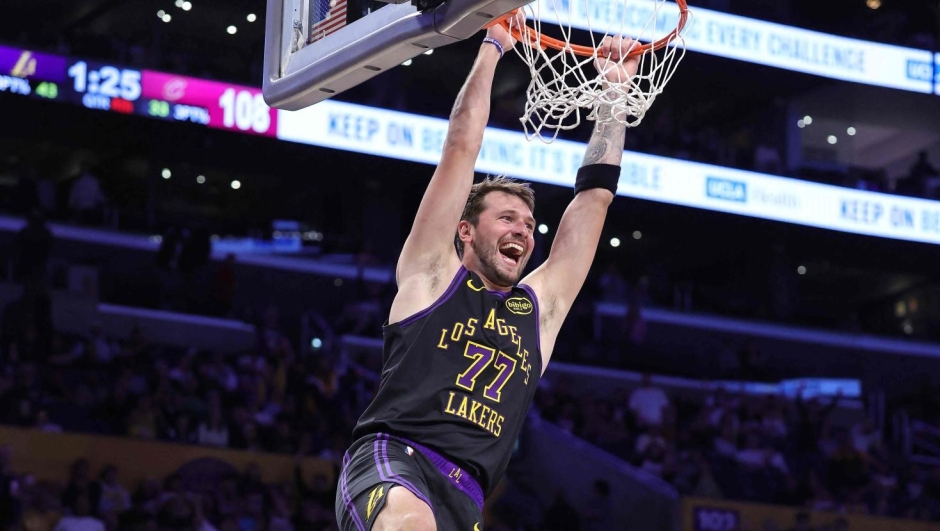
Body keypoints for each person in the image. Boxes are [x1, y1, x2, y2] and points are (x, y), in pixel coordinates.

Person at [334, 15, 639, 531]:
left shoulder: (538, 311)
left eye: (529, 223)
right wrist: (494, 43)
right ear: (466, 232)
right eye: (506, 217)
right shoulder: (433, 275)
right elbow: (461, 145)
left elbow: (594, 199)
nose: (523, 229)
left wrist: (614, 96)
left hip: (469, 496)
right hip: (394, 460)